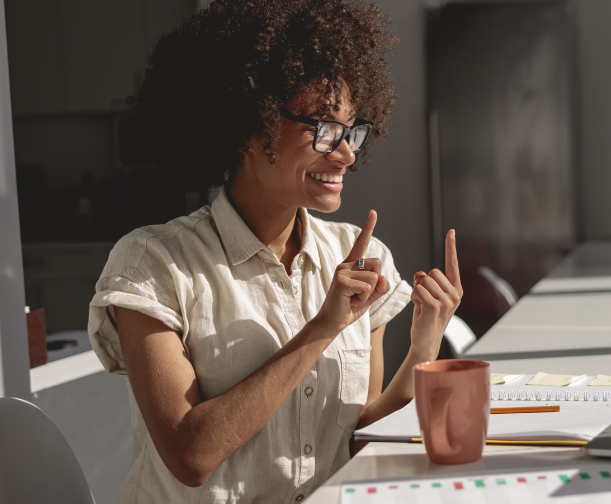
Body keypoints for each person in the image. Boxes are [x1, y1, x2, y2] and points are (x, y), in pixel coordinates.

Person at [86, 1, 462, 502]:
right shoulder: (152, 265)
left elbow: (358, 432)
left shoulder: (359, 255)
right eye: (323, 128)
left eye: (350, 129)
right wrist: (322, 328)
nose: (347, 152)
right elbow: (189, 456)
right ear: (248, 123)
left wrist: (424, 348)